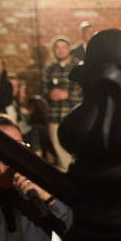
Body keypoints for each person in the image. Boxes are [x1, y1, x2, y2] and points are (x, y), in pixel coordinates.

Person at [41, 35, 83, 171]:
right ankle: (66, 174)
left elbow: (86, 89)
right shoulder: (49, 69)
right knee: (57, 145)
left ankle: (71, 173)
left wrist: (68, 95)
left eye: (63, 47)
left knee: (74, 146)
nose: (60, 51)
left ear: (69, 49)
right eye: (57, 48)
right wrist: (49, 94)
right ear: (53, 50)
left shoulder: (78, 67)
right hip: (55, 115)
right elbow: (42, 89)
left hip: (74, 115)